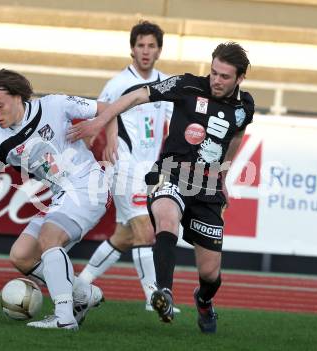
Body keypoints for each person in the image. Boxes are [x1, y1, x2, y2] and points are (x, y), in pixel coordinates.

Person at [68, 42, 255, 333]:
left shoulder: (245, 106)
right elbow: (137, 95)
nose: (216, 80)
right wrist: (100, 121)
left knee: (210, 273)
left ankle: (204, 302)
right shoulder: (186, 85)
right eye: (214, 72)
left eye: (224, 77)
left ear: (240, 78)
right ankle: (163, 293)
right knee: (166, 218)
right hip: (170, 173)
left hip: (206, 187)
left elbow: (236, 136)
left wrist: (224, 174)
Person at [0, 69, 111, 331]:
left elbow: (107, 109)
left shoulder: (55, 105)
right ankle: (84, 295)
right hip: (62, 196)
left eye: (0, 105)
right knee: (21, 256)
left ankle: (64, 317)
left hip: (89, 185)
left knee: (49, 237)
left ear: (19, 97)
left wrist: (106, 135)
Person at [77, 20, 179, 313]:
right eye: (140, 45)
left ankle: (82, 282)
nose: (145, 51)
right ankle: (154, 297)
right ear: (132, 49)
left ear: (159, 50)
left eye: (151, 46)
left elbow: (174, 122)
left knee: (124, 236)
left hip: (150, 171)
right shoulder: (119, 83)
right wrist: (107, 140)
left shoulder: (166, 83)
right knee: (146, 232)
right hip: (125, 165)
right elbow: (103, 112)